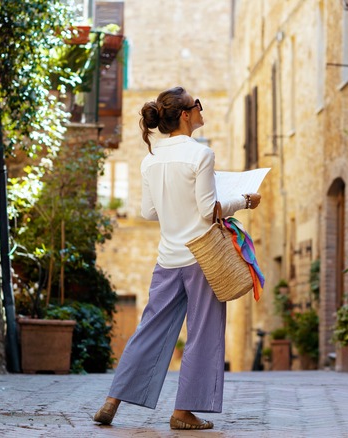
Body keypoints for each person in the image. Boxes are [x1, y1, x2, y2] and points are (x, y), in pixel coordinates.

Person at [93, 86, 261, 430]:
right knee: (203, 332)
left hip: (167, 257)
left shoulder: (150, 158)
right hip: (203, 257)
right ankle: (183, 412)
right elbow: (206, 210)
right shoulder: (201, 155)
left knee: (149, 329)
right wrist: (244, 200)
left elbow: (147, 211)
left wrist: (177, 207)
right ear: (185, 115)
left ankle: (113, 399)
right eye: (197, 106)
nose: (202, 111)